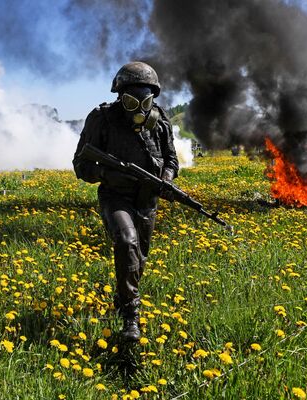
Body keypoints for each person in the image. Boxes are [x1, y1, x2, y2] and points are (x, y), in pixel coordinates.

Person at [72, 61, 179, 342]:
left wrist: (166, 179)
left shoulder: (161, 122)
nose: (139, 108)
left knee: (138, 258)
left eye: (145, 100)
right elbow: (81, 165)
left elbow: (172, 160)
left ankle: (122, 298)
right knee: (126, 241)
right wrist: (107, 174)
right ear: (120, 96)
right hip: (115, 196)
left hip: (147, 199)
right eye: (131, 100)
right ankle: (131, 316)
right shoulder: (102, 119)